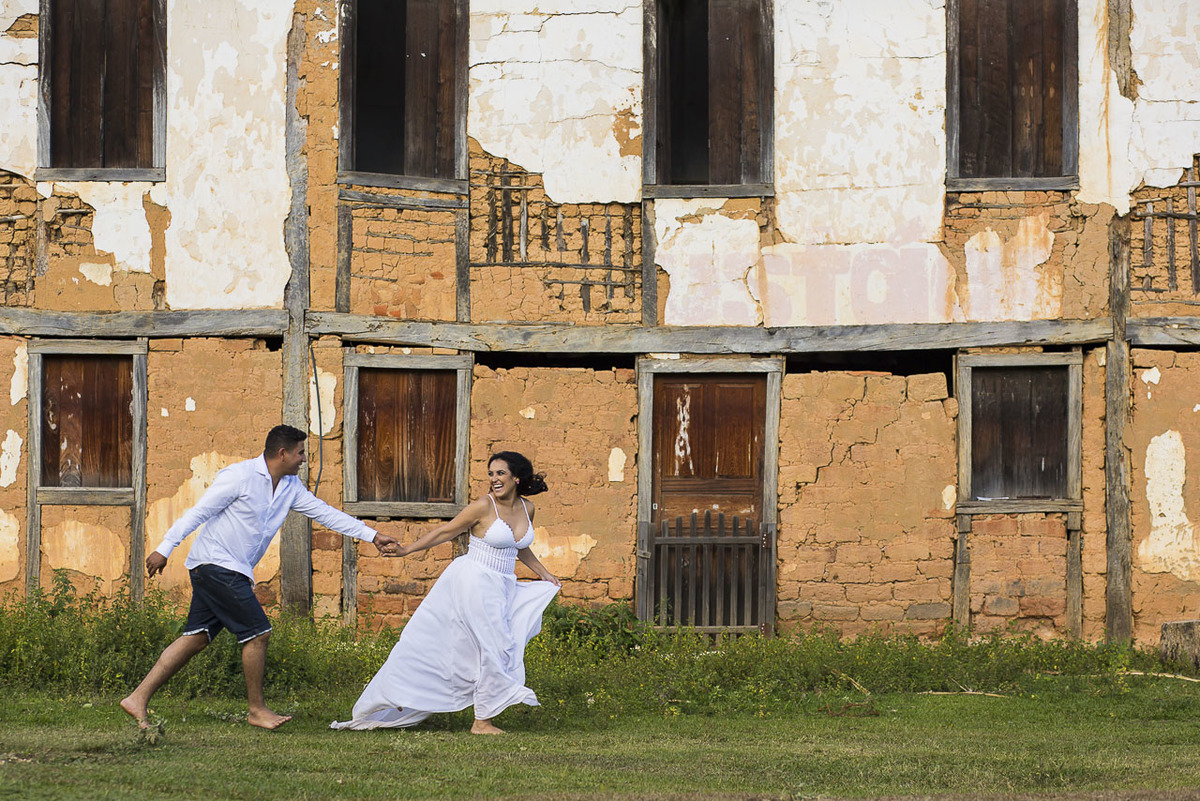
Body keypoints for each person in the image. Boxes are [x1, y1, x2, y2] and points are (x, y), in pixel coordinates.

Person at [120, 425, 398, 730]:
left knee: (196, 638)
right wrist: (163, 548)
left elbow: (326, 513)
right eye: (300, 453)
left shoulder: (289, 487)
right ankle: (256, 710)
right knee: (258, 633)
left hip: (227, 569)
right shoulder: (239, 477)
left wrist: (372, 536)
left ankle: (137, 698)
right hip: (215, 564)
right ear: (283, 453)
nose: (304, 459)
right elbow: (197, 513)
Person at [332, 451, 561, 735]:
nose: (494, 479)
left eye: (500, 473)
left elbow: (519, 546)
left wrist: (544, 573)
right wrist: (406, 550)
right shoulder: (482, 507)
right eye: (491, 474)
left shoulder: (528, 509)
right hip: (473, 581)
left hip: (502, 585)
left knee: (490, 648)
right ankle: (482, 722)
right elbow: (445, 532)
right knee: (495, 647)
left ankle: (456, 706)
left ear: (516, 478)